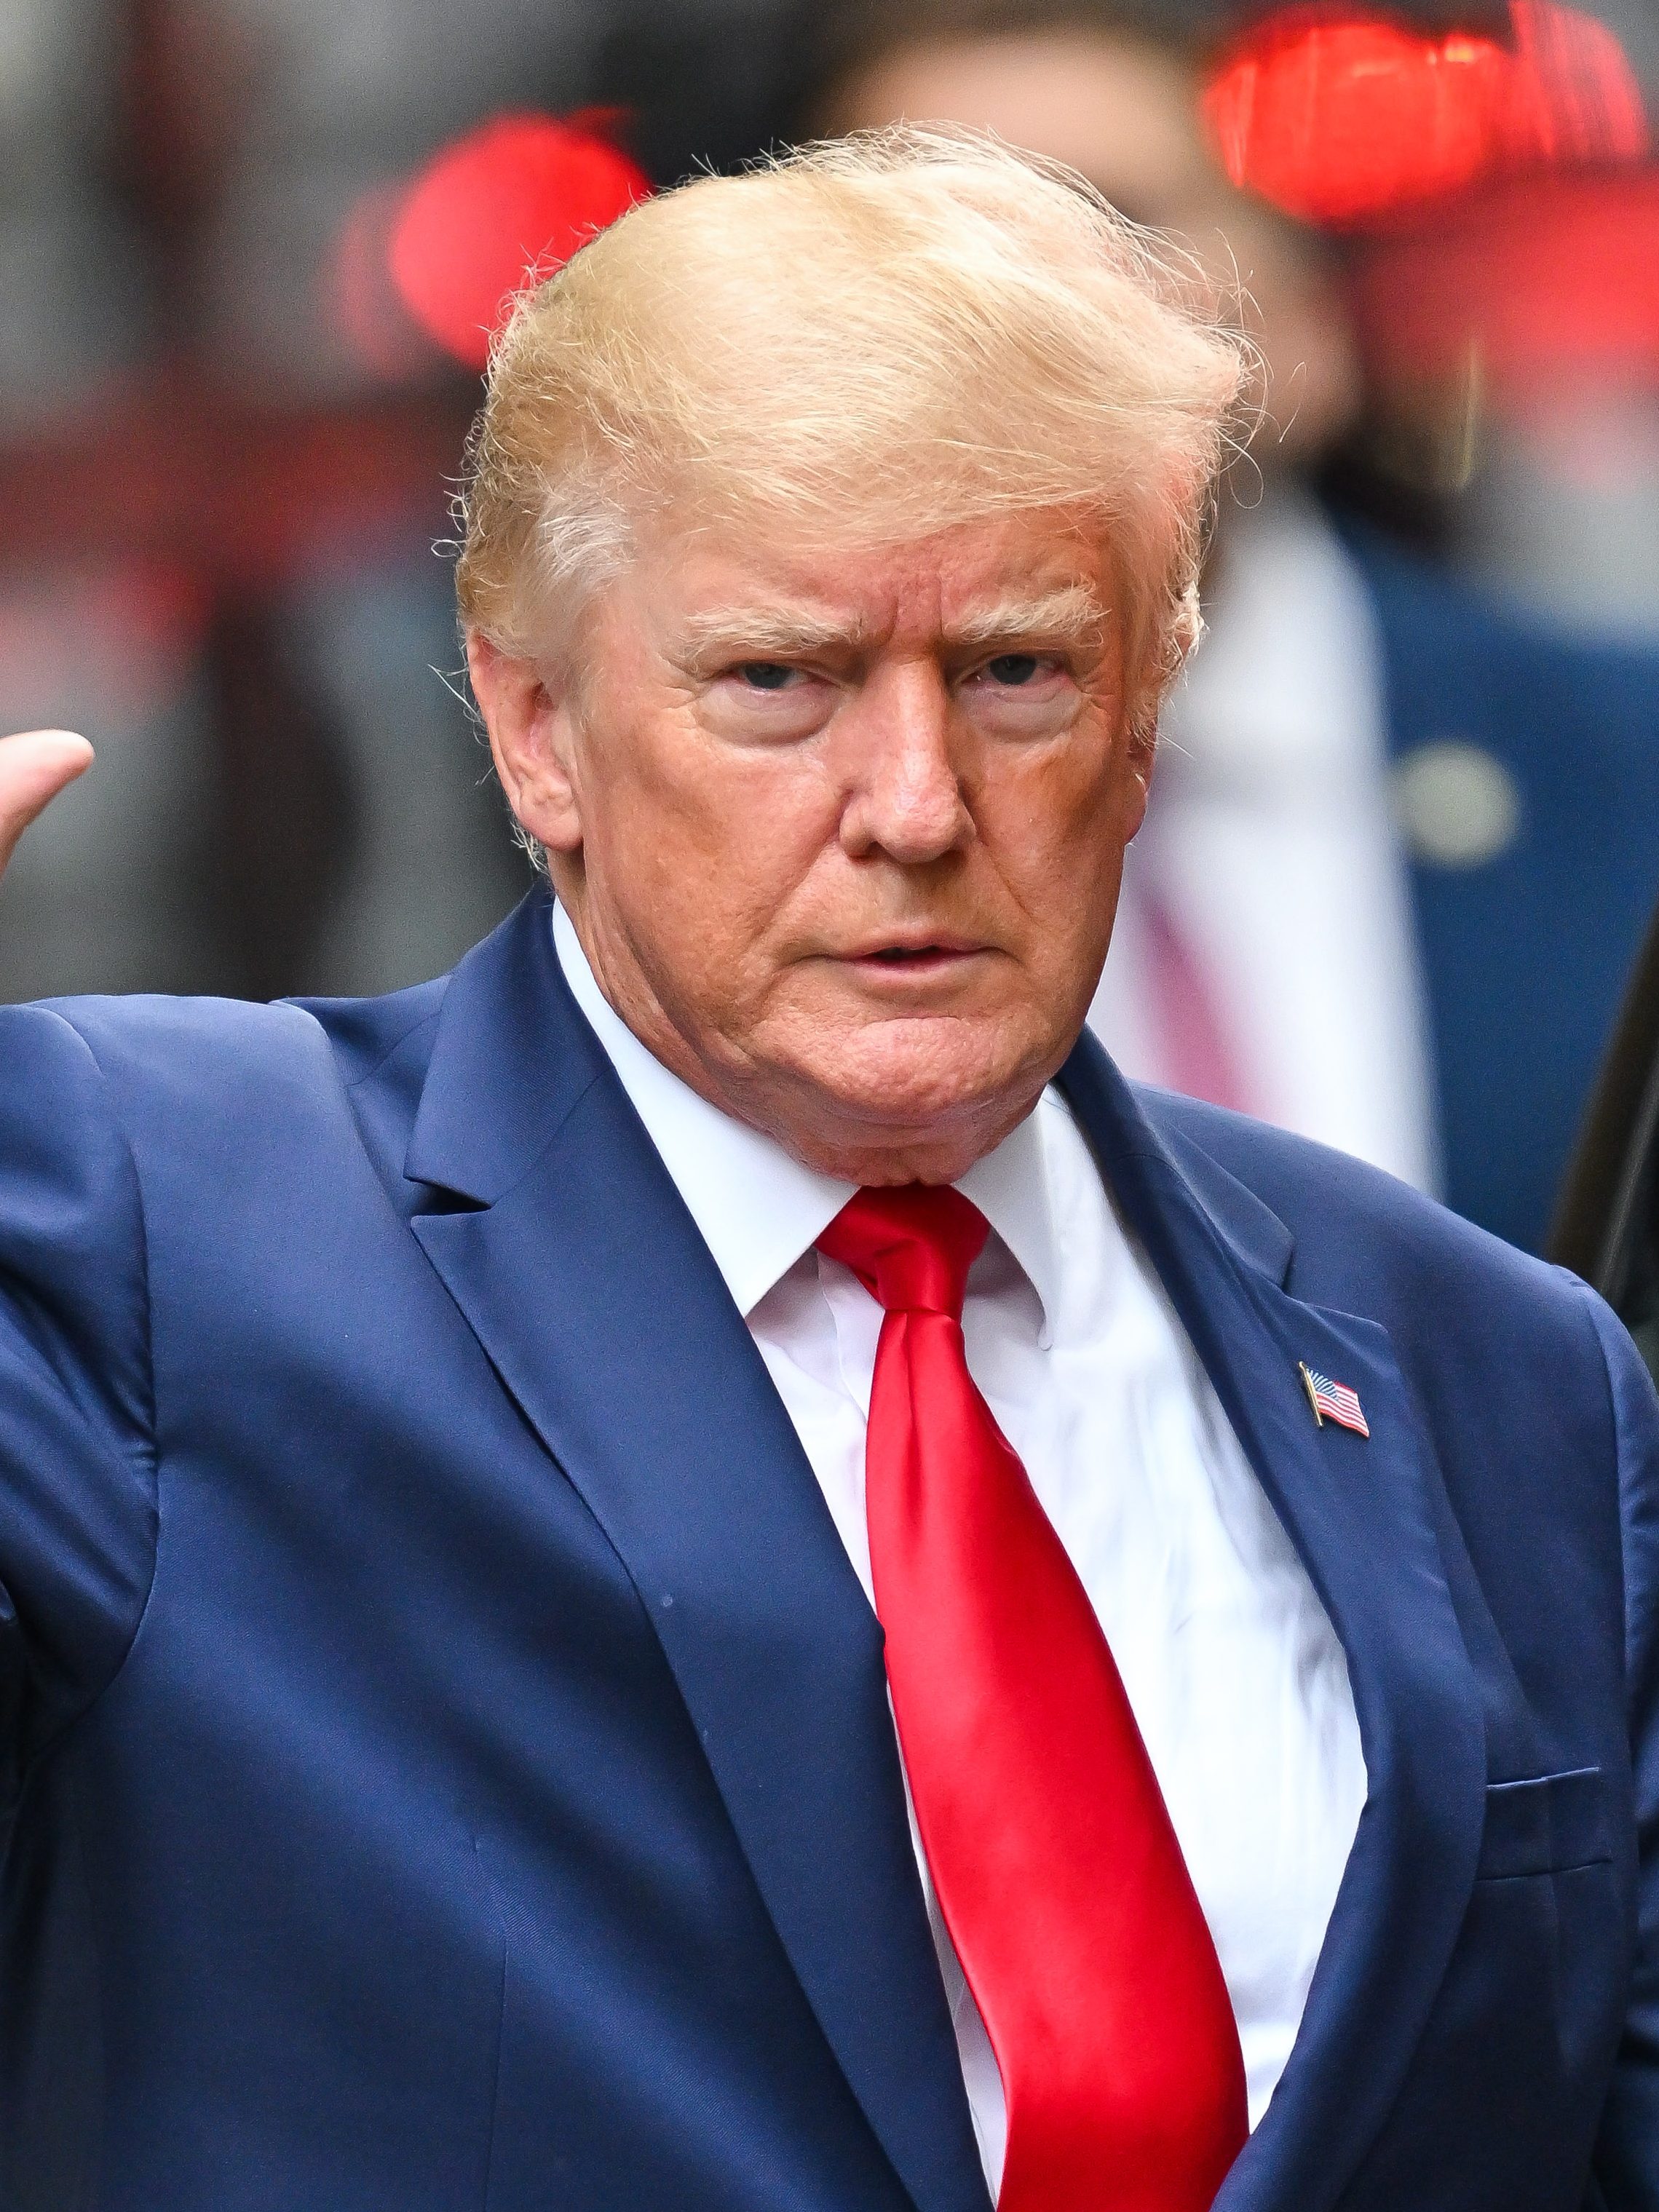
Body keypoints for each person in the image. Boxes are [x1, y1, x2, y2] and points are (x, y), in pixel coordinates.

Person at [0, 130, 1655, 2212]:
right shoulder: (160, 1221)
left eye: (1017, 672)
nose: (916, 803)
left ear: (1148, 713)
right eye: (778, 681)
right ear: (535, 731)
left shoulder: (1497, 1372)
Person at [807, 0, 1659, 1254]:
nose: (1013, 302)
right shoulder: (691, 807)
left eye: (1112, 219)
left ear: (1306, 323)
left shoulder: (1629, 765)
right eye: (918, 244)